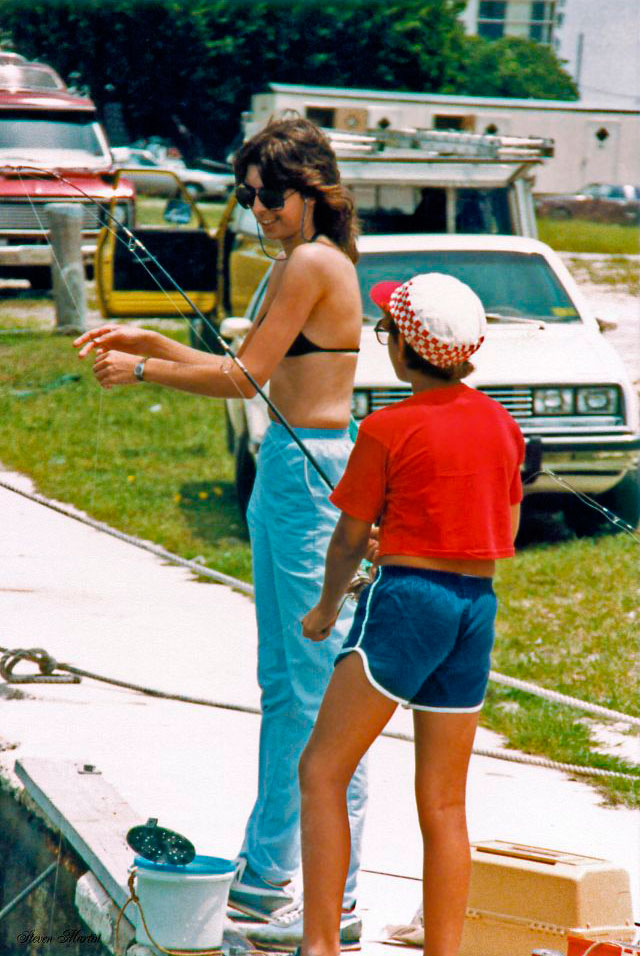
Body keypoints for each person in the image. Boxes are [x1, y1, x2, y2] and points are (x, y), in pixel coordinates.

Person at [73, 117, 368, 950]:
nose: (259, 210)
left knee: (317, 692)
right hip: (284, 472)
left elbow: (246, 375)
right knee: (283, 686)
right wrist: (148, 340)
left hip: (311, 478)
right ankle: (271, 873)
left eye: (271, 195)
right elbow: (241, 364)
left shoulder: (313, 261)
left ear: (313, 190)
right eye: (247, 198)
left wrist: (143, 372)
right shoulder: (293, 263)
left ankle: (328, 890)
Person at [299, 273, 525, 956]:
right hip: (473, 609)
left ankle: (318, 947)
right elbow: (503, 525)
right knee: (446, 803)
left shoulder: (386, 426)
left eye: (386, 330)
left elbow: (345, 540)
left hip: (407, 604)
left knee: (321, 771)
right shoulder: (503, 424)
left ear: (400, 348)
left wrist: (325, 608)